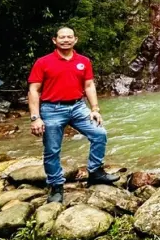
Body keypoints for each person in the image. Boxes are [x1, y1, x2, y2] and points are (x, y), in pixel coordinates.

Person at [27, 26, 118, 203]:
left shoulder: (83, 61)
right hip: (52, 109)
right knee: (52, 150)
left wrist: (95, 109)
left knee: (99, 134)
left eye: (70, 37)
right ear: (55, 40)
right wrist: (35, 117)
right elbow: (33, 90)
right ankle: (56, 186)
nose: (66, 40)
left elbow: (89, 85)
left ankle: (95, 173)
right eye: (62, 37)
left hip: (78, 107)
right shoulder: (43, 62)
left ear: (75, 40)